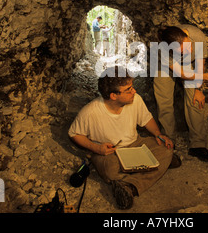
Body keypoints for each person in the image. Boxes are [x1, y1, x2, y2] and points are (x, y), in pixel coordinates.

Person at [68, 66, 180, 209]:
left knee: (165, 148)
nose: (134, 91)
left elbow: (146, 120)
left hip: (135, 144)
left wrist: (158, 134)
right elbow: (74, 133)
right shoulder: (91, 111)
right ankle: (145, 175)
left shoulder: (135, 100)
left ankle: (128, 184)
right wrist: (96, 148)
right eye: (128, 89)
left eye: (132, 87)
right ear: (114, 95)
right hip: (110, 152)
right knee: (111, 169)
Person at [153, 25, 208, 163]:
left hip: (189, 64)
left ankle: (198, 145)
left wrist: (198, 90)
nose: (190, 50)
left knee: (195, 100)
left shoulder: (198, 36)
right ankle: (169, 139)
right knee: (164, 100)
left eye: (189, 46)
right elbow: (181, 74)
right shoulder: (162, 50)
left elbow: (200, 65)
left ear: (186, 35)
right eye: (183, 51)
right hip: (166, 67)